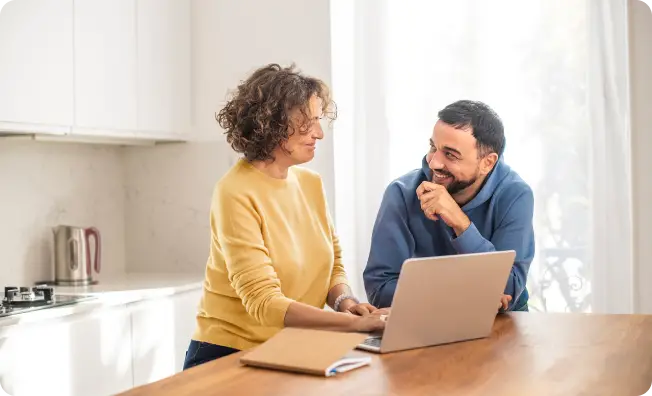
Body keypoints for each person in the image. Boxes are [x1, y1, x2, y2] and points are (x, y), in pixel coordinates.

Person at [183, 64, 386, 370]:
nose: (319, 133)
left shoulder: (310, 184)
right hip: (228, 355)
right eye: (310, 123)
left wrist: (347, 303)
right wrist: (353, 327)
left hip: (290, 349)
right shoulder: (235, 192)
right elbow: (264, 303)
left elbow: (334, 267)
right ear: (273, 124)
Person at [363, 100, 535, 312]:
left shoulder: (515, 194)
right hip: (426, 325)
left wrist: (461, 223)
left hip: (502, 325)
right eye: (433, 147)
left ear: (487, 163)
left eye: (450, 155)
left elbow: (509, 289)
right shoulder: (401, 193)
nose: (434, 162)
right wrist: (465, 295)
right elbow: (379, 288)